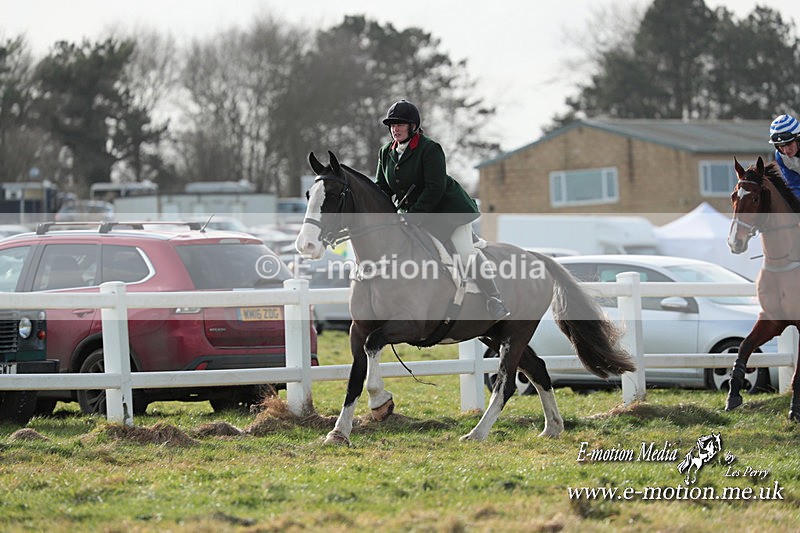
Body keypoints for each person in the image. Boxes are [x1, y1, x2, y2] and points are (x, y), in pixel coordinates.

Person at [375, 99, 511, 321]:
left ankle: (494, 298)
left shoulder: (430, 149)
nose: (395, 129)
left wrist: (414, 216)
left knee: (464, 252)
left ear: (413, 126)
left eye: (400, 124)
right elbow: (382, 187)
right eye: (392, 125)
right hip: (413, 215)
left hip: (447, 212)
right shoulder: (385, 152)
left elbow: (434, 188)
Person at [769, 114, 800, 198]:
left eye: (789, 144)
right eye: (781, 146)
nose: (786, 150)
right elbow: (795, 186)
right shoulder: (780, 157)